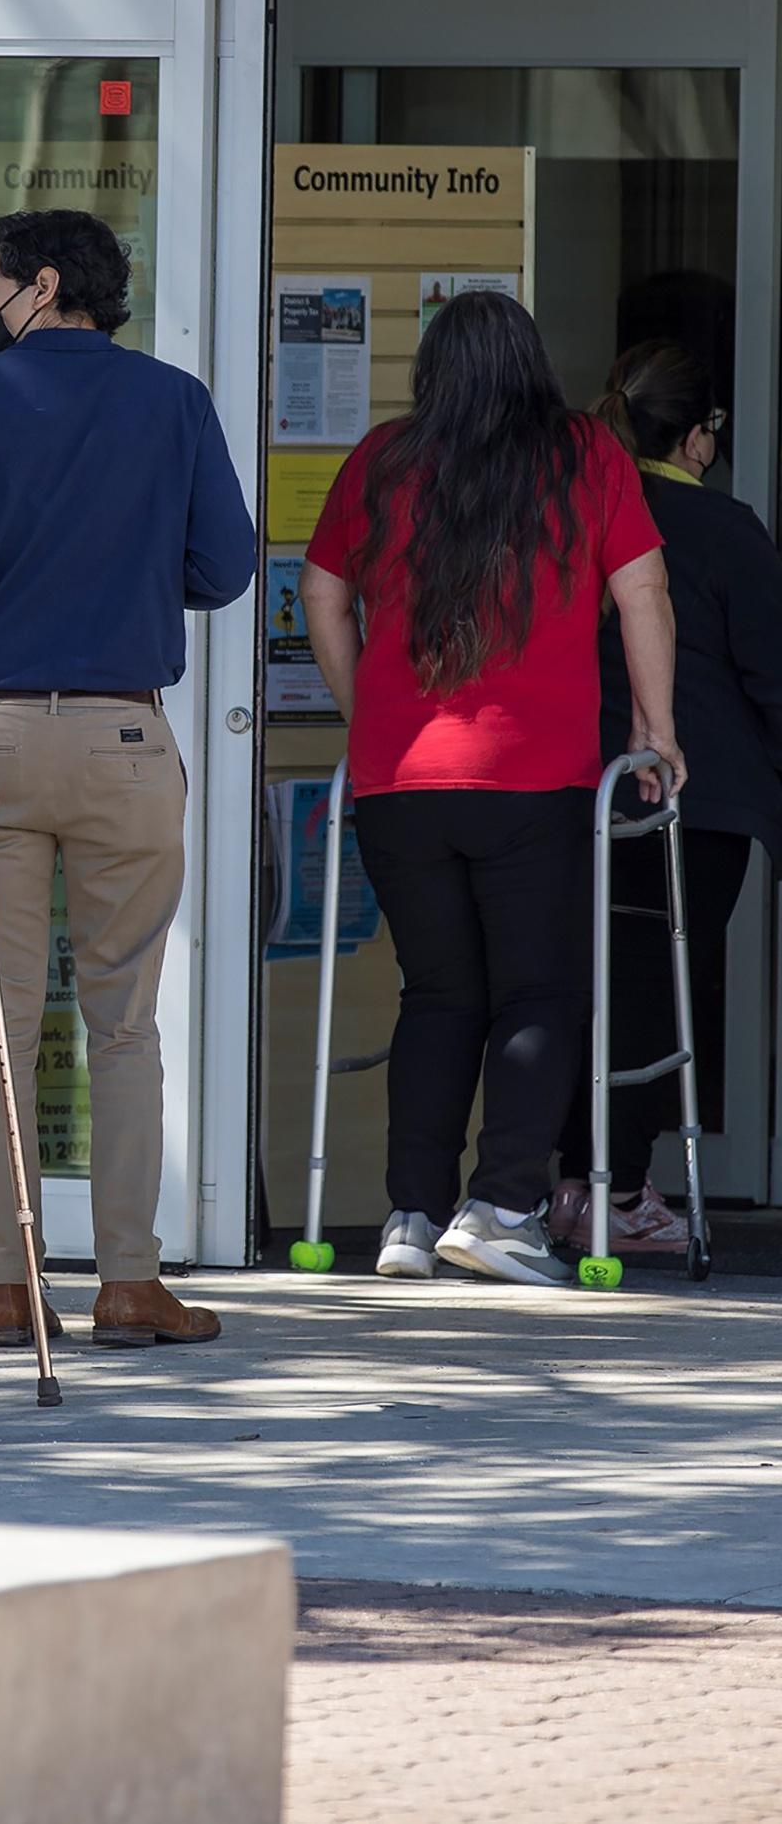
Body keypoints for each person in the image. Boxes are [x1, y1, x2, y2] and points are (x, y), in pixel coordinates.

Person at [0, 210, 255, 1351]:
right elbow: (224, 565)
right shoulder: (172, 401)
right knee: (124, 1025)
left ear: (42, 284)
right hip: (122, 740)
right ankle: (126, 1282)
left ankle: (7, 1286)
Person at [300, 291, 680, 1286]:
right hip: (531, 778)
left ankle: (409, 1216)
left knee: (435, 994)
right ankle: (503, 1204)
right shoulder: (582, 455)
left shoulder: (381, 458)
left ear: (431, 370)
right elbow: (641, 587)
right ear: (530, 363)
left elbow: (322, 590)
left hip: (398, 784)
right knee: (536, 992)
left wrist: (365, 709)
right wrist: (655, 728)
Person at [551, 342, 782, 1251]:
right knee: (661, 992)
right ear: (698, 439)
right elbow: (771, 677)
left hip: (579, 783)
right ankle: (620, 1189)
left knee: (580, 987)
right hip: (700, 792)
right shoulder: (725, 528)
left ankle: (573, 1183)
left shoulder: (571, 512)